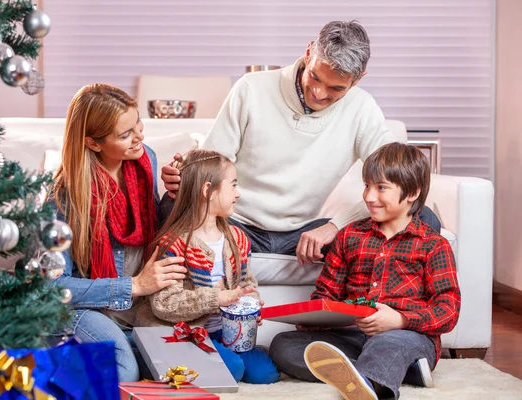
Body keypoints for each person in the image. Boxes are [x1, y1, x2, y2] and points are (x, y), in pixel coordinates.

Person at [160, 20, 441, 265]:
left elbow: (397, 184)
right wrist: (187, 174)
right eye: (315, 77)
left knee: (421, 218)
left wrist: (334, 226)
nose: (319, 93)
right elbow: (214, 160)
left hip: (304, 233)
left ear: (358, 80)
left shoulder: (362, 108)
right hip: (234, 223)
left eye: (336, 88)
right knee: (170, 203)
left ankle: (391, 318)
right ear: (308, 52)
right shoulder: (251, 88)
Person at [268, 142, 461, 399]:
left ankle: (372, 385)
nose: (369, 197)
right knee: (283, 345)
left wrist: (400, 320)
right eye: (367, 186)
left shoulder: (433, 245)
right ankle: (400, 371)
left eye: (381, 188)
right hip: (351, 335)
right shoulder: (350, 236)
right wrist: (313, 318)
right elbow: (326, 294)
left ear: (412, 192)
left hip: (404, 335)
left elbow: (447, 310)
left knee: (388, 344)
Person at [49, 83, 187, 382]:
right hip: (84, 308)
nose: (139, 138)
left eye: (138, 125)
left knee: (177, 369)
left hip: (134, 307)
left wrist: (174, 196)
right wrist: (134, 285)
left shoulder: (143, 159)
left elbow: (147, 228)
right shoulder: (62, 197)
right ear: (93, 143)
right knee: (124, 372)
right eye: (125, 135)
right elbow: (51, 287)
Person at [138, 149, 280, 384]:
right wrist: (217, 298)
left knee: (266, 374)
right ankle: (171, 358)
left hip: (225, 331)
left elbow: (247, 283)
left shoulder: (237, 238)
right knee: (232, 370)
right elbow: (165, 304)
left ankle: (219, 354)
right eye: (233, 185)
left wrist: (250, 304)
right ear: (208, 190)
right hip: (187, 332)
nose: (238, 193)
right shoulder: (173, 244)